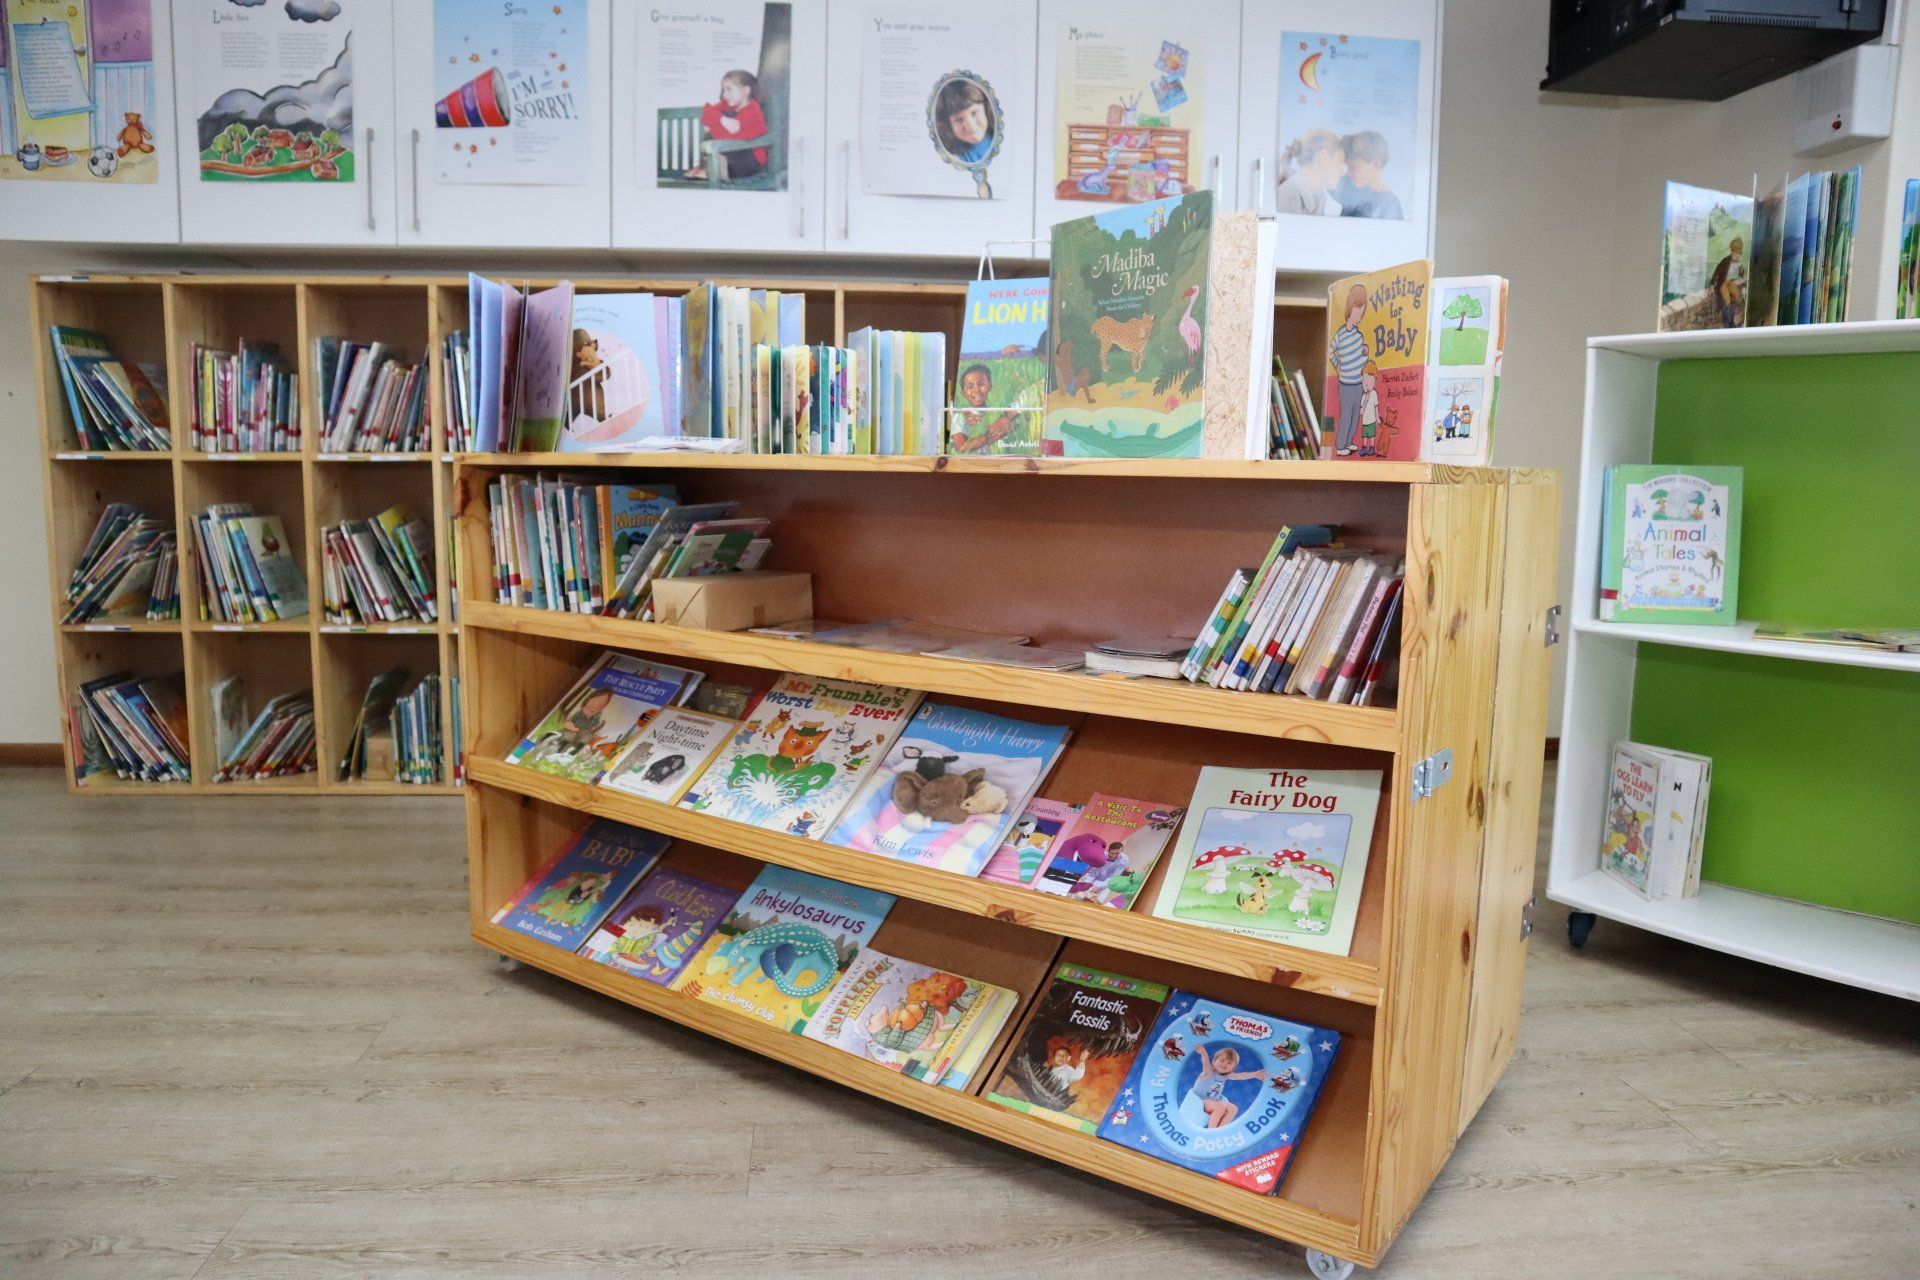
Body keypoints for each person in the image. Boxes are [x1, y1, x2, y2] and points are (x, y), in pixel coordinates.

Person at [689, 69, 768, 182]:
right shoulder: (728, 105)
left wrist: (711, 125)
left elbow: (728, 136)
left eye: (729, 89)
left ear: (746, 90)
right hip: (731, 152)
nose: (724, 94)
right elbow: (707, 110)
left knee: (711, 136)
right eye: (723, 90)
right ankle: (712, 169)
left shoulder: (753, 110)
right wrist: (723, 119)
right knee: (715, 131)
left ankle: (712, 170)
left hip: (749, 160)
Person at [1328, 282, 1369, 456]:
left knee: (1355, 416)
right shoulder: (1341, 334)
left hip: (1358, 383)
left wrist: (1365, 354)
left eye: (1363, 310)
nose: (1360, 314)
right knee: (1346, 415)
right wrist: (1338, 367)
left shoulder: (1359, 336)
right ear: (1350, 308)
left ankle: (1349, 442)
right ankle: (1340, 445)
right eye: (1358, 309)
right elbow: (1330, 351)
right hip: (1345, 384)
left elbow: (1360, 360)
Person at [1188, 1044, 1268, 1129]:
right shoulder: (1208, 1072)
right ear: (1214, 1062)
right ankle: (1211, 1130)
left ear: (1232, 1068)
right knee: (1220, 1107)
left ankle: (1220, 1128)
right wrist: (1203, 1053)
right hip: (1199, 1101)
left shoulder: (1225, 1076)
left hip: (1214, 1102)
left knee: (1234, 1108)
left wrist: (1255, 1074)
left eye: (1229, 1063)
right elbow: (1205, 1063)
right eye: (1222, 1060)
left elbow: (1241, 1076)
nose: (1224, 1064)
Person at [1334, 131, 1404, 220]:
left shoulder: (1390, 205)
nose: (1348, 173)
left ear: (1375, 164)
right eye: (1348, 167)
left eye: (1353, 167)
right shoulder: (1354, 198)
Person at [1274, 128, 1345, 216]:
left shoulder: (1319, 197)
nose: (1343, 172)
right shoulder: (1289, 200)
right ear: (1324, 157)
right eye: (1340, 163)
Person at [934, 78, 995, 166]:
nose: (970, 126)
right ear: (948, 125)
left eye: (974, 113)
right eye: (958, 120)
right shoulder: (955, 158)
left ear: (986, 109)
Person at [1707, 236, 1746, 328]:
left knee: (1737, 295)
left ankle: (1731, 318)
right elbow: (1716, 273)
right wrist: (1712, 286)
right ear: (1733, 252)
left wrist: (1742, 272)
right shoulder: (1725, 261)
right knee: (1727, 300)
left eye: (1739, 254)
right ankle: (1728, 321)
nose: (1738, 256)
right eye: (1736, 254)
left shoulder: (1737, 262)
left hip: (1730, 282)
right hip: (1722, 283)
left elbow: (1738, 274)